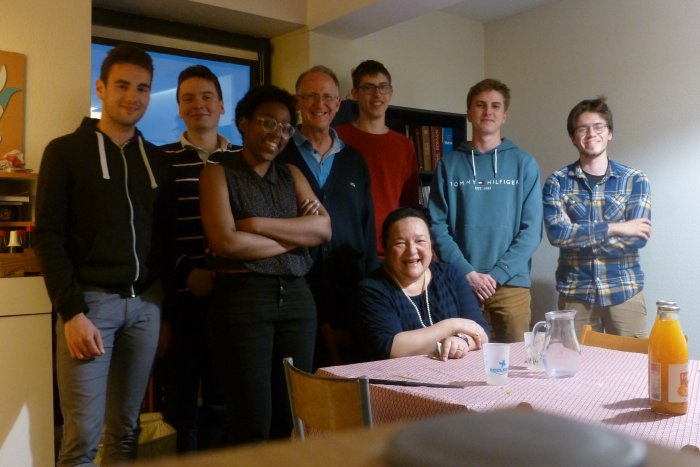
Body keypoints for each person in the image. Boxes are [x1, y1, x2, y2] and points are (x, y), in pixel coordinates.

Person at [34, 44, 172, 465]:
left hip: (146, 307)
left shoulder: (156, 159)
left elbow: (164, 239)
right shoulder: (64, 151)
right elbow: (48, 236)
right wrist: (71, 312)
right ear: (101, 88)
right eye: (122, 85)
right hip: (90, 308)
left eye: (143, 88)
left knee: (126, 431)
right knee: (81, 437)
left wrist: (163, 309)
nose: (133, 96)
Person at [199, 85, 331, 445]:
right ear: (244, 123)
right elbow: (226, 243)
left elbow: (323, 229)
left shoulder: (291, 175)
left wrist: (255, 224)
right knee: (252, 420)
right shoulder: (218, 173)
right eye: (268, 122)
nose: (278, 133)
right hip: (243, 300)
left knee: (296, 416)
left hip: (298, 301)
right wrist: (295, 237)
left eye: (286, 127)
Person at [428, 78, 542, 343]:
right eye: (480, 105)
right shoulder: (448, 166)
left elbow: (532, 230)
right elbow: (437, 226)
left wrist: (497, 275)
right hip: (461, 282)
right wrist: (467, 273)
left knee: (517, 360)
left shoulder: (524, 163)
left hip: (511, 283)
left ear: (504, 115)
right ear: (469, 113)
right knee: (462, 356)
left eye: (495, 106)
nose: (488, 111)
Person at [279, 65, 379, 365]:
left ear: (337, 104)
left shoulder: (354, 160)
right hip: (296, 286)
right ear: (298, 102)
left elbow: (366, 226)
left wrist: (371, 283)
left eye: (327, 97)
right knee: (300, 372)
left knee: (350, 371)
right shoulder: (280, 156)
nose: (319, 104)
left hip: (349, 288)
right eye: (310, 96)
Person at [158, 65, 234, 452]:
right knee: (180, 401)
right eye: (188, 98)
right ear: (179, 108)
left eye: (206, 97)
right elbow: (153, 230)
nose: (198, 104)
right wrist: (186, 272)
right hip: (181, 298)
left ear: (221, 105)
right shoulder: (160, 160)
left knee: (223, 400)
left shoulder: (242, 159)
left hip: (233, 296)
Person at [543, 96, 651, 338]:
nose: (591, 134)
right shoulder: (557, 182)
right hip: (575, 294)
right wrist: (617, 228)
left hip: (624, 292)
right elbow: (557, 234)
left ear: (610, 133)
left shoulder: (635, 180)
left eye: (598, 127)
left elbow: (636, 238)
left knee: (631, 361)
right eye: (582, 128)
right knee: (573, 361)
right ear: (573, 137)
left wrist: (577, 233)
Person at [358, 207, 489, 361]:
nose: (412, 250)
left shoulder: (451, 275)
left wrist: (461, 341)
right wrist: (452, 325)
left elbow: (480, 331)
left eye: (420, 241)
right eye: (400, 243)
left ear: (431, 244)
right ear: (385, 248)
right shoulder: (372, 288)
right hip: (399, 374)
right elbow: (390, 347)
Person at [335, 60, 419, 257]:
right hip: (343, 247)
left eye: (383, 87)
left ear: (391, 92)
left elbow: (409, 204)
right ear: (355, 93)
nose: (377, 94)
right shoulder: (336, 138)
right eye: (368, 88)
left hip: (390, 250)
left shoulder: (404, 145)